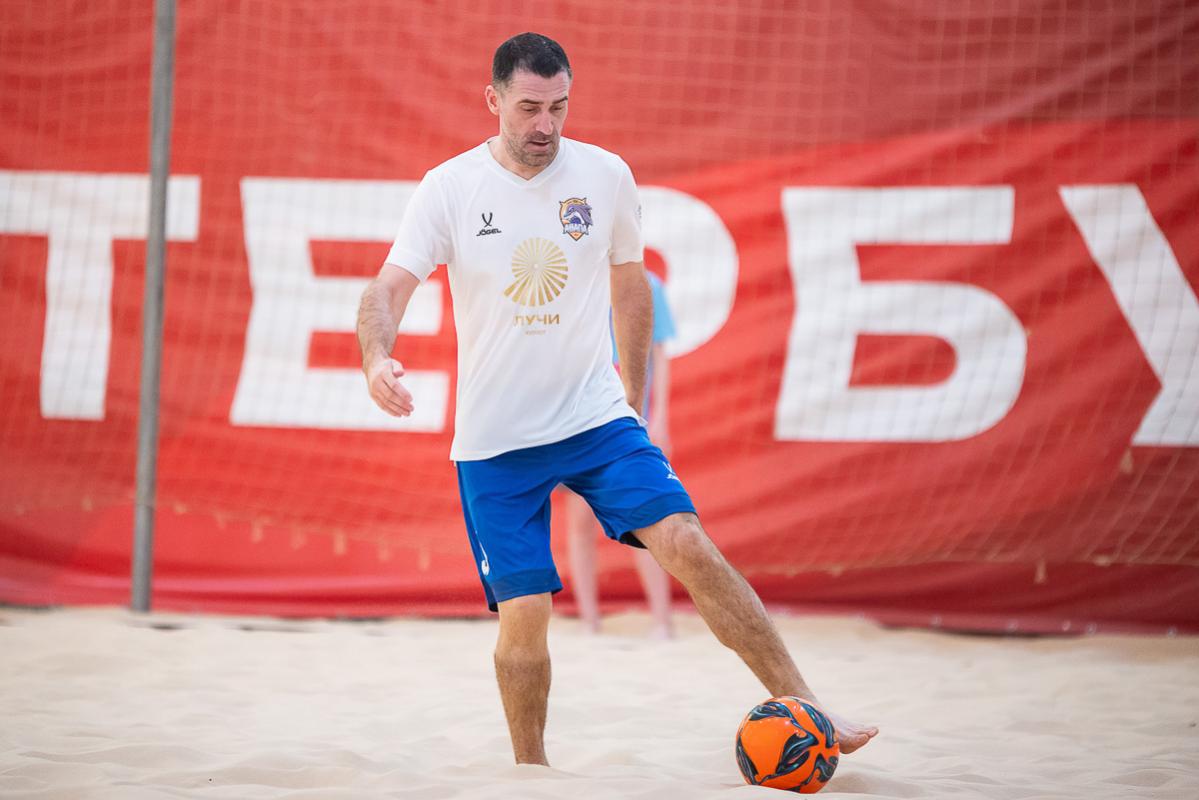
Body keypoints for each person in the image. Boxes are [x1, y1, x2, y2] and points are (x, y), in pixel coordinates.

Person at [356, 32, 878, 767]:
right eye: (529, 107)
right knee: (526, 617)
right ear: (493, 100)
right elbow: (386, 290)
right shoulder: (448, 187)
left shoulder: (604, 175)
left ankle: (812, 706)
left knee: (689, 543)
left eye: (559, 106)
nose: (545, 124)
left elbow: (631, 287)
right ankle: (532, 772)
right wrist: (375, 357)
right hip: (496, 439)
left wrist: (631, 399)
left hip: (594, 417)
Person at [563, 271, 676, 639]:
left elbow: (660, 353)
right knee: (580, 521)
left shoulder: (647, 284)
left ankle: (662, 622)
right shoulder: (576, 277)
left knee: (644, 518)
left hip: (628, 419)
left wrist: (661, 418)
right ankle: (590, 622)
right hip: (580, 418)